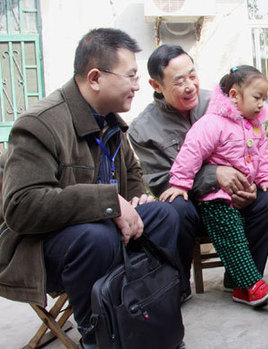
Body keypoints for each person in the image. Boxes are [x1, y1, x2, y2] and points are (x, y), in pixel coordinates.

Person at [0, 29, 182, 348]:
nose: (139, 86)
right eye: (131, 76)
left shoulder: (110, 121)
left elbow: (132, 172)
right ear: (95, 77)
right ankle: (98, 337)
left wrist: (136, 195)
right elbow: (21, 206)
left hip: (103, 230)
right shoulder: (39, 124)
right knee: (97, 237)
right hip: (39, 246)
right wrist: (109, 203)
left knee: (164, 215)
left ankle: (145, 314)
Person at [128, 45, 268, 294]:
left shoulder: (222, 101)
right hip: (192, 206)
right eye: (179, 81)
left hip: (232, 199)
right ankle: (177, 285)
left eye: (192, 76)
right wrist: (216, 175)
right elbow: (163, 183)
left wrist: (253, 184)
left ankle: (242, 280)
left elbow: (252, 146)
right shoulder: (142, 129)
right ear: (156, 85)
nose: (190, 86)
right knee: (174, 208)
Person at [160, 65, 268, 307]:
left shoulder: (255, 125)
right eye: (256, 97)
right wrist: (180, 183)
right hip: (215, 198)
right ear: (234, 95)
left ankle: (240, 285)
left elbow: (263, 155)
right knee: (233, 234)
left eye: (264, 98)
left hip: (241, 194)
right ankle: (252, 286)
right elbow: (191, 152)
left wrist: (266, 180)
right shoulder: (213, 123)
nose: (261, 104)